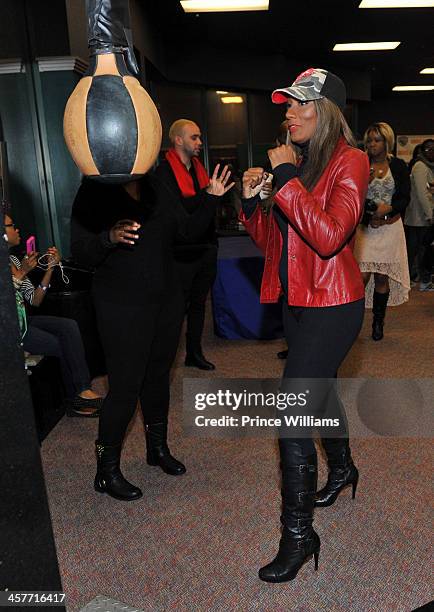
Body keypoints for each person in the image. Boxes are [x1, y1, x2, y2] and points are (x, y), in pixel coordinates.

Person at [240, 68, 369, 582]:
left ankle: (299, 535)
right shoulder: (306, 168)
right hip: (298, 304)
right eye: (287, 105)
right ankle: (342, 469)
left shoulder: (350, 162)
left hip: (334, 306)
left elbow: (331, 236)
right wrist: (254, 204)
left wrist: (288, 180)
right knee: (322, 394)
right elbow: (277, 247)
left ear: (327, 113)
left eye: (300, 105)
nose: (288, 113)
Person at [70, 166, 234, 502]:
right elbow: (81, 252)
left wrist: (209, 199)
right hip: (121, 306)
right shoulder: (93, 190)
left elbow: (187, 231)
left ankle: (156, 448)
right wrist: (108, 238)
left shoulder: (156, 184)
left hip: (165, 301)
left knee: (158, 378)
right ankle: (107, 470)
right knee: (126, 387)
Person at [4, 213, 102, 417]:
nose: (17, 229)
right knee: (59, 343)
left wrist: (49, 269)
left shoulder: (13, 258)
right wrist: (22, 273)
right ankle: (76, 399)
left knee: (68, 326)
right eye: (12, 225)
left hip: (24, 320)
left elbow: (35, 299)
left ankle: (82, 390)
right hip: (11, 330)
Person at [154, 119, 219, 371]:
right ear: (178, 140)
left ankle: (194, 353)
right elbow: (181, 215)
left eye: (200, 137)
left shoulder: (199, 170)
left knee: (200, 304)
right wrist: (209, 195)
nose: (200, 143)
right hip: (179, 254)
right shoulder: (163, 174)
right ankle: (166, 359)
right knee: (175, 309)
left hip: (204, 248)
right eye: (194, 137)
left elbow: (206, 213)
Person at [353, 123, 411, 340]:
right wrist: (370, 215)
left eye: (377, 140)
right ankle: (352, 322)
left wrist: (388, 212)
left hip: (389, 228)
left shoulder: (398, 165)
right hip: (366, 229)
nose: (372, 144)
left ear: (387, 142)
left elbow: (405, 197)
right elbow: (351, 197)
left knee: (381, 279)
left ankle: (378, 323)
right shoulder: (360, 164)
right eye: (369, 140)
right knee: (361, 277)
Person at [404, 138, 434, 291]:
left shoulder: (429, 167)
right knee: (416, 250)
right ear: (423, 150)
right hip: (418, 217)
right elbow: (423, 194)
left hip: (423, 216)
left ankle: (416, 278)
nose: (431, 152)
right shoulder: (420, 166)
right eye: (428, 149)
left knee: (420, 249)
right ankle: (415, 279)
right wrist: (430, 215)